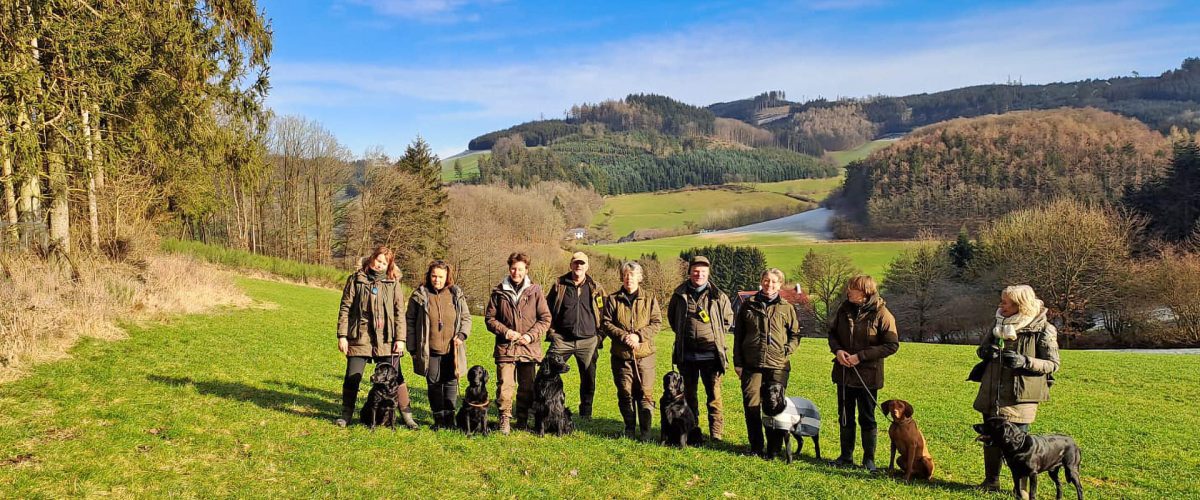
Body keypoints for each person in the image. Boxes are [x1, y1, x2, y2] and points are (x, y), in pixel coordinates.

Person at [973, 285, 1061, 491]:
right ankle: (991, 481)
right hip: (992, 390)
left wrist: (1024, 361)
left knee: (1018, 443)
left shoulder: (1043, 329)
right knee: (991, 438)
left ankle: (1020, 488)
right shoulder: (998, 323)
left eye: (1005, 302)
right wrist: (987, 352)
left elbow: (1052, 364)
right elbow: (980, 350)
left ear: (1019, 305)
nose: (1000, 305)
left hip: (1021, 394)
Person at [335, 246, 419, 429]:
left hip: (387, 338)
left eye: (384, 263)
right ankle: (346, 415)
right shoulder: (356, 280)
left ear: (389, 265)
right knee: (352, 376)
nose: (379, 265)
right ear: (371, 258)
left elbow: (399, 313)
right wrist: (342, 335)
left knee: (397, 378)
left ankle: (407, 416)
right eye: (378, 260)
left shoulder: (393, 283)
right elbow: (345, 309)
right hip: (360, 335)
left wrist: (400, 339)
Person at [828, 274, 899, 471]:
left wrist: (861, 356)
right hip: (843, 374)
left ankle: (869, 459)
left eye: (853, 288)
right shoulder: (843, 310)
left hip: (868, 376)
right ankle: (845, 456)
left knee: (867, 417)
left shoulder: (882, 314)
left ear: (865, 292)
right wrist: (838, 350)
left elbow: (892, 345)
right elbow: (832, 333)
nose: (848, 291)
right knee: (845, 416)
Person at [734, 268, 803, 456]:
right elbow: (738, 335)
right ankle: (756, 447)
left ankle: (773, 449)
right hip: (751, 364)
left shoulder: (786, 307)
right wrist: (738, 363)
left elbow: (795, 334)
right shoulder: (748, 305)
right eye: (766, 280)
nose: (769, 284)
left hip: (778, 366)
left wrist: (787, 350)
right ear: (761, 281)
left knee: (775, 407)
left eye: (773, 281)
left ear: (780, 284)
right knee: (752, 406)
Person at [484, 252, 552, 435]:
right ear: (509, 269)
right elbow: (490, 319)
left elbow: (545, 319)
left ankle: (522, 419)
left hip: (529, 348)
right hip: (506, 347)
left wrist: (530, 336)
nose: (516, 272)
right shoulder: (499, 291)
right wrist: (506, 332)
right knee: (505, 385)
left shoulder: (535, 291)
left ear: (526, 270)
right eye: (513, 268)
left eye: (520, 269)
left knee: (527, 387)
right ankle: (504, 418)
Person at [668, 255, 734, 441]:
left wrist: (715, 336)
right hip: (686, 355)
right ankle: (693, 430)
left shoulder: (719, 296)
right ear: (689, 272)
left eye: (703, 272)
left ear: (708, 273)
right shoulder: (678, 295)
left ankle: (716, 434)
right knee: (690, 397)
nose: (699, 275)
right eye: (696, 271)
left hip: (712, 356)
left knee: (714, 397)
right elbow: (673, 319)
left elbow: (727, 320)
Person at [406, 260, 471, 430]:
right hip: (429, 349)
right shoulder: (419, 295)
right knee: (434, 383)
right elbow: (410, 322)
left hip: (452, 349)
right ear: (429, 276)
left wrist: (462, 335)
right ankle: (438, 419)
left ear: (447, 277)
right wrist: (412, 348)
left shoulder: (456, 294)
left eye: (441, 277)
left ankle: (450, 419)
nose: (437, 280)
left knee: (450, 382)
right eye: (434, 276)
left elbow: (466, 317)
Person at [601, 261, 662, 440]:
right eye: (626, 274)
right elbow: (606, 323)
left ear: (640, 278)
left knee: (645, 394)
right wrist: (623, 336)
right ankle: (628, 428)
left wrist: (638, 336)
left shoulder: (650, 298)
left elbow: (657, 323)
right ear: (622, 277)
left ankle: (645, 432)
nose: (629, 278)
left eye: (633, 275)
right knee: (625, 393)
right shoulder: (613, 299)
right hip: (621, 356)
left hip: (645, 355)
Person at [545, 252, 607, 419]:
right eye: (576, 263)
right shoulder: (559, 285)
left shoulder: (596, 287)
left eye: (582, 263)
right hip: (562, 340)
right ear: (570, 265)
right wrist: (551, 333)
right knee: (547, 371)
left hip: (588, 341)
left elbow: (605, 314)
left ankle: (586, 412)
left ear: (587, 266)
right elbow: (546, 310)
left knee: (588, 378)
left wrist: (599, 337)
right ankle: (543, 407)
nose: (579, 266)